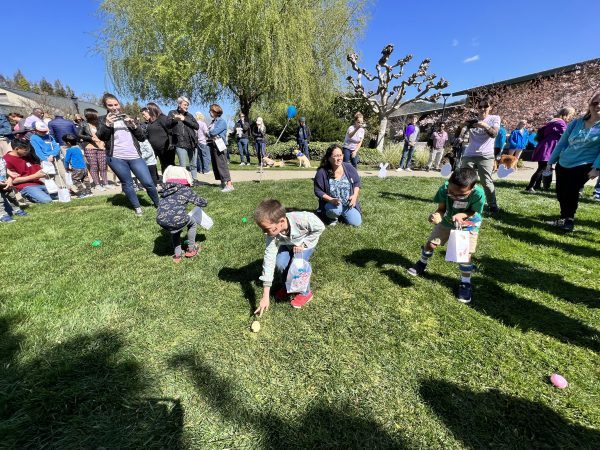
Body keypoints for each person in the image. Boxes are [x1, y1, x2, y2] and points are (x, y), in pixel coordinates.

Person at [407, 167, 485, 303]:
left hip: (469, 223)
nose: (454, 196)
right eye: (451, 192)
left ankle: (465, 283)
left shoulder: (478, 194)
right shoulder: (444, 189)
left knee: (464, 256)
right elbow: (441, 209)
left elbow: (474, 211)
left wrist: (462, 214)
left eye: (460, 195)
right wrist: (436, 215)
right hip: (448, 220)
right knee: (431, 244)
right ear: (449, 182)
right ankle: (422, 263)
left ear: (471, 189)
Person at [254, 199, 325, 316]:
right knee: (281, 263)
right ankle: (287, 286)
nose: (264, 233)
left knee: (298, 266)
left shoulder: (303, 219)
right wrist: (265, 295)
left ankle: (305, 293)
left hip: (304, 245)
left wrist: (304, 244)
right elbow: (269, 260)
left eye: (267, 228)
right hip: (287, 244)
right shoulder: (271, 235)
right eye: (262, 229)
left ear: (281, 221)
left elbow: (320, 227)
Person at [96, 93, 160, 216]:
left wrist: (134, 125)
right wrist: (108, 124)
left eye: (116, 104)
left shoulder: (128, 117)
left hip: (135, 156)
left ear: (119, 104)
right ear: (106, 106)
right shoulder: (102, 119)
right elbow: (102, 136)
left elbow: (141, 138)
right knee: (127, 183)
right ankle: (137, 208)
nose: (114, 107)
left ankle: (158, 204)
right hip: (116, 157)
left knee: (148, 182)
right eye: (110, 105)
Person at [547, 92, 600, 232]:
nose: (598, 106)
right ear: (590, 105)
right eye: (595, 103)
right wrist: (551, 161)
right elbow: (562, 143)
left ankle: (569, 220)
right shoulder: (576, 122)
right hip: (564, 162)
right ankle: (563, 217)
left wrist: (597, 167)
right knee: (561, 192)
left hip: (584, 165)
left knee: (572, 191)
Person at [156, 166, 208, 263]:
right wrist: (205, 201)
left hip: (161, 219)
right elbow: (201, 202)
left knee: (175, 230)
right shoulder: (185, 190)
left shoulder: (164, 190)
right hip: (177, 218)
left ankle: (177, 255)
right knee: (192, 223)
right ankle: (191, 249)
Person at [459, 96, 500, 213]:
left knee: (486, 182)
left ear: (490, 107)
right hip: (469, 154)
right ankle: (463, 202)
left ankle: (492, 206)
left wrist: (484, 125)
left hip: (486, 155)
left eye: (486, 106)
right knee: (465, 179)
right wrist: (461, 126)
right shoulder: (473, 120)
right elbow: (458, 133)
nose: (482, 109)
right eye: (480, 106)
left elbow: (494, 134)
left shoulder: (494, 118)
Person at [526, 107, 575, 193]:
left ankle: (537, 186)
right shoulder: (560, 122)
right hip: (549, 147)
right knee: (541, 168)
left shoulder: (553, 121)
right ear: (566, 114)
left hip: (545, 145)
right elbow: (565, 135)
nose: (571, 117)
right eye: (571, 115)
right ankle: (530, 187)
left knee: (542, 167)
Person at [314, 144, 362, 226]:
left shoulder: (348, 167)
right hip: (332, 204)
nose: (339, 158)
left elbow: (357, 183)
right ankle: (331, 217)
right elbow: (318, 191)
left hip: (347, 205)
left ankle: (341, 215)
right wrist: (331, 200)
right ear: (329, 158)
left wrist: (354, 196)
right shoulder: (322, 172)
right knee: (335, 210)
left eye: (340, 155)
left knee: (356, 223)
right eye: (336, 156)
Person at [3, 138, 57, 203]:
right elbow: (12, 180)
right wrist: (35, 176)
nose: (28, 151)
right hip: (25, 186)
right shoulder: (6, 160)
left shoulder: (26, 156)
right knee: (47, 200)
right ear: (17, 149)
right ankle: (26, 197)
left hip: (39, 184)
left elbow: (38, 170)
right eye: (25, 150)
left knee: (61, 194)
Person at [168, 96, 199, 183]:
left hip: (192, 142)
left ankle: (195, 179)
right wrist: (175, 119)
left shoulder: (189, 115)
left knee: (193, 164)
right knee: (183, 165)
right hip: (180, 143)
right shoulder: (172, 113)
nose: (187, 106)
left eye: (187, 105)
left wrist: (184, 119)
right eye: (185, 105)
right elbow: (167, 124)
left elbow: (197, 126)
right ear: (179, 104)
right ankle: (185, 181)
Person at [79, 108, 110, 191]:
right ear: (91, 115)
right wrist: (90, 138)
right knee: (94, 166)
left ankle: (106, 183)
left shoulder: (99, 123)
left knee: (103, 166)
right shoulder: (83, 124)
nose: (97, 115)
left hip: (101, 147)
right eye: (96, 114)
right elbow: (79, 135)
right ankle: (97, 184)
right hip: (90, 148)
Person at [207, 104, 234, 192]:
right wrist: (209, 132)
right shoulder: (213, 121)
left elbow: (213, 132)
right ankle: (223, 183)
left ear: (215, 111)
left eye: (211, 111)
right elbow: (209, 132)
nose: (209, 112)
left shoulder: (221, 121)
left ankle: (229, 185)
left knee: (222, 164)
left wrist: (209, 131)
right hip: (213, 144)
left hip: (220, 145)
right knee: (216, 165)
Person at [145, 102, 175, 173]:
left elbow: (170, 131)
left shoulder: (162, 118)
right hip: (156, 149)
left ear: (152, 109)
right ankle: (165, 181)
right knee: (162, 164)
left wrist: (171, 144)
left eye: (147, 110)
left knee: (168, 165)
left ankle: (171, 181)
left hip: (165, 148)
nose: (146, 112)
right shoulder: (151, 121)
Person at [0, 149, 28, 222]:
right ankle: (2, 215)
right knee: (0, 200)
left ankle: (16, 209)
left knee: (12, 196)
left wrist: (9, 178)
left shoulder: (1, 159)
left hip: (4, 182)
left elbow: (5, 170)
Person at [62, 134, 92, 198]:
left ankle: (83, 193)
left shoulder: (69, 150)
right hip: (84, 167)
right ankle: (89, 192)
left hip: (76, 168)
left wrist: (66, 168)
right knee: (85, 179)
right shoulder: (78, 148)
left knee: (76, 180)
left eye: (65, 143)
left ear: (68, 143)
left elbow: (66, 160)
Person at [140, 108, 160, 186]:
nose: (143, 116)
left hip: (157, 146)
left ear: (149, 112)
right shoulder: (143, 125)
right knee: (151, 165)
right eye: (142, 115)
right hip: (148, 146)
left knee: (156, 164)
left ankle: (160, 180)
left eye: (144, 114)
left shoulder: (157, 122)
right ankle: (154, 180)